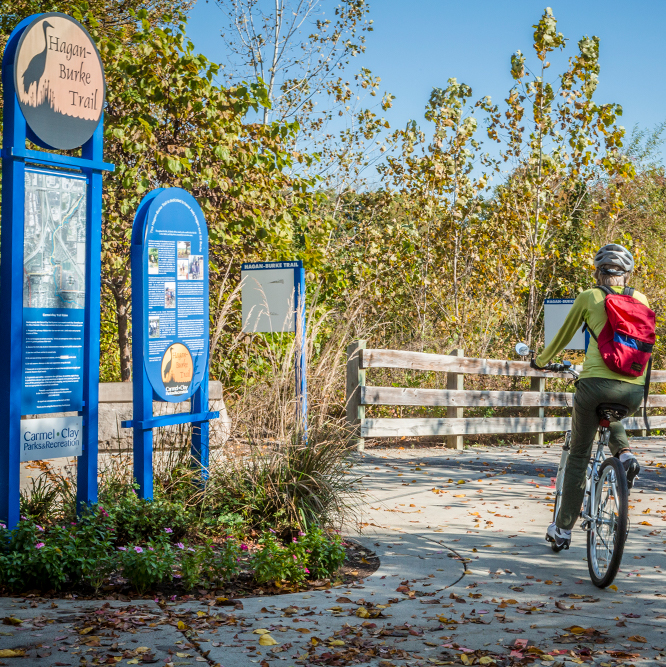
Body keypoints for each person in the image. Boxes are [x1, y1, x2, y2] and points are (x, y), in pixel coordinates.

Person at [532, 244, 645, 550]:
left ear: (598, 272)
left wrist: (540, 361)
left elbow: (561, 338)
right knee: (609, 416)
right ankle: (624, 454)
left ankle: (563, 528)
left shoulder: (589, 296)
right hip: (635, 388)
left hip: (595, 383)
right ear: (627, 274)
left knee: (579, 456)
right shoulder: (641, 300)